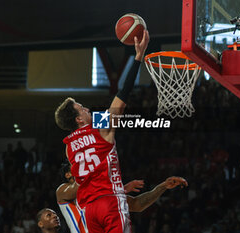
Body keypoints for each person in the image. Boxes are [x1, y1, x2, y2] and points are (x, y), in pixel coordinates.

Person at [54, 30, 149, 233]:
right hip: (110, 203)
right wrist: (138, 57)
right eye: (82, 108)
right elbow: (122, 95)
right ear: (79, 119)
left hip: (90, 210)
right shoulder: (100, 125)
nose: (87, 108)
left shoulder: (69, 146)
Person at [56, 161, 188, 233]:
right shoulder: (62, 191)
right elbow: (81, 185)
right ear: (68, 174)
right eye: (76, 163)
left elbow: (137, 204)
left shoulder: (104, 193)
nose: (82, 163)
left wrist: (163, 186)